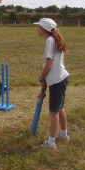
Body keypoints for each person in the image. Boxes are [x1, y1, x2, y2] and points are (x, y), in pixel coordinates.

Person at [33, 18, 69, 149]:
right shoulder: (54, 39)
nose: (37, 29)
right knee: (60, 108)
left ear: (44, 29)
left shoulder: (50, 40)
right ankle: (64, 135)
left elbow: (48, 65)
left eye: (39, 27)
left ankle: (51, 142)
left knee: (53, 111)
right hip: (61, 78)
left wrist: (41, 78)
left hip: (57, 80)